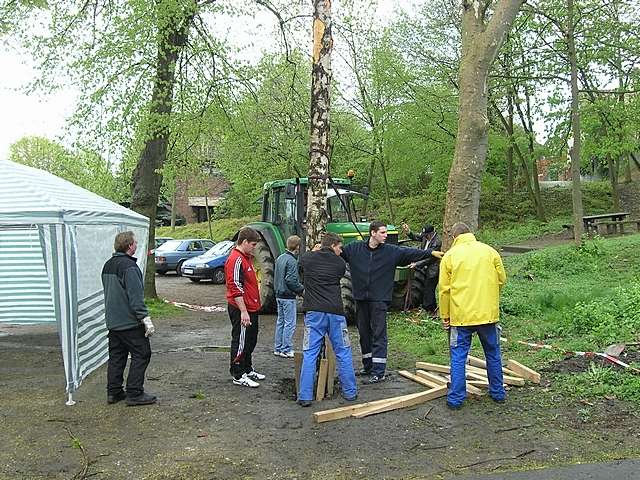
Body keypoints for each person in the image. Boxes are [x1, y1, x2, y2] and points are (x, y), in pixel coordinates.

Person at [342, 221, 443, 384]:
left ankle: (379, 371)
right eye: (382, 233)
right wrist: (321, 249)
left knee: (379, 334)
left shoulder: (391, 251)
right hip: (361, 299)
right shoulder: (355, 249)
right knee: (364, 334)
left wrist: (431, 253)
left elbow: (410, 253)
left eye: (385, 233)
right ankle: (368, 366)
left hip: (379, 300)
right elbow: (338, 253)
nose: (386, 235)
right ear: (372, 233)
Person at [439, 222, 507, 410]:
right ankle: (498, 393)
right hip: (488, 315)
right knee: (493, 353)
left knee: (458, 356)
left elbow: (445, 290)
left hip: (461, 317)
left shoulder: (450, 256)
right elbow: (501, 279)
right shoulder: (490, 252)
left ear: (454, 237)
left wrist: (446, 315)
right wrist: (489, 297)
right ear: (471, 234)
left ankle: (456, 399)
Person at [297, 233, 357, 406]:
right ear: (332, 246)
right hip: (336, 313)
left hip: (314, 313)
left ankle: (305, 396)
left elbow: (300, 265)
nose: (341, 251)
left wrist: (313, 252)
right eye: (339, 247)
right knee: (343, 351)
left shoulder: (307, 258)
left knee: (309, 353)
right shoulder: (339, 263)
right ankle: (350, 392)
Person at [101, 231, 156, 406]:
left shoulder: (107, 265)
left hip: (113, 321)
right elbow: (135, 297)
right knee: (142, 353)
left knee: (117, 356)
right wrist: (145, 319)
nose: (137, 245)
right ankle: (134, 392)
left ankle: (114, 392)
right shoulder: (130, 268)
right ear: (129, 245)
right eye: (135, 243)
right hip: (129, 322)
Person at [225, 227, 266, 388]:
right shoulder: (236, 259)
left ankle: (247, 368)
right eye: (253, 244)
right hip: (241, 308)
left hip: (251, 307)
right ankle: (237, 373)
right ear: (244, 242)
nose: (254, 247)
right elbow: (235, 286)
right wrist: (243, 311)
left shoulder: (246, 258)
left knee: (251, 339)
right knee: (241, 340)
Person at [273, 235, 304, 358]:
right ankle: (286, 349)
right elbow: (291, 280)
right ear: (297, 246)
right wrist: (302, 290)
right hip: (288, 297)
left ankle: (278, 347)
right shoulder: (292, 261)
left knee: (280, 322)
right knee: (289, 323)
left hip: (278, 295)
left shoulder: (280, 258)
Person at [401, 223, 442, 315]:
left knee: (429, 289)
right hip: (424, 268)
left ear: (431, 233)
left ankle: (429, 309)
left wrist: (417, 263)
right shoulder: (425, 237)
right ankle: (431, 308)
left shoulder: (437, 242)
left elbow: (431, 258)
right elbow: (416, 237)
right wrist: (408, 232)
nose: (424, 237)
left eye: (426, 235)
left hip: (432, 269)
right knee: (425, 288)